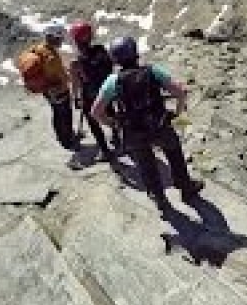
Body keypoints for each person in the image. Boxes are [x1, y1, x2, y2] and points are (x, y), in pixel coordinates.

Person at [91, 36, 204, 212]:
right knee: (174, 152)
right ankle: (185, 187)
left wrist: (112, 123)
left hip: (133, 131)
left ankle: (160, 199)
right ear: (135, 53)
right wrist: (178, 116)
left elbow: (95, 112)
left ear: (115, 58)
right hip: (159, 125)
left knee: (146, 165)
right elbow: (181, 92)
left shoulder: (113, 81)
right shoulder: (153, 71)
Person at [67, 20, 118, 163]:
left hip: (89, 95)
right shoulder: (101, 50)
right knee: (110, 112)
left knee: (94, 122)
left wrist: (76, 98)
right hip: (107, 90)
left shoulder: (76, 62)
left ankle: (105, 150)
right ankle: (117, 137)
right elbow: (111, 68)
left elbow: (75, 82)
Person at [28, 22, 81, 149]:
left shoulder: (40, 49)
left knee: (57, 114)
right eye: (59, 38)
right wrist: (70, 78)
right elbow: (59, 75)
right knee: (65, 114)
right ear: (53, 38)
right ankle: (68, 140)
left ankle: (62, 136)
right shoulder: (50, 56)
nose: (61, 40)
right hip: (58, 90)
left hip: (48, 90)